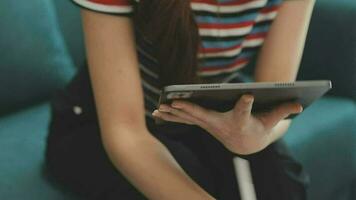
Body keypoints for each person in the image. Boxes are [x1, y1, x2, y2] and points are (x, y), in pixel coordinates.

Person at [45, 0, 315, 199]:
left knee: (284, 188)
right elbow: (124, 131)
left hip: (209, 112)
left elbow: (275, 105)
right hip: (105, 120)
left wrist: (256, 136)